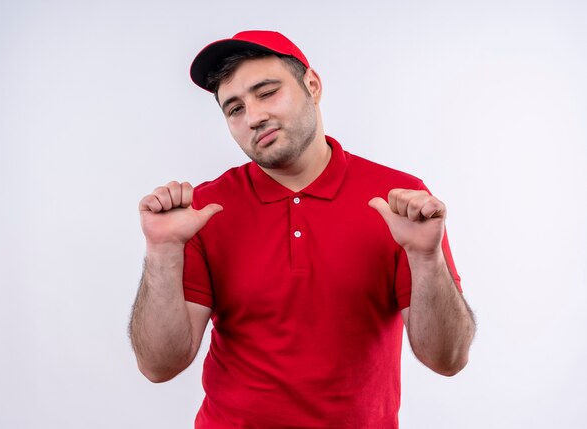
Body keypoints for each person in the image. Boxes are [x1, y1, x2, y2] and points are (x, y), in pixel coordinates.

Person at [129, 30, 476, 428]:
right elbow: (159, 366)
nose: (253, 117)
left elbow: (447, 360)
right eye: (234, 109)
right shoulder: (202, 211)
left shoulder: (399, 200)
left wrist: (425, 258)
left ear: (312, 85)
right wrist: (162, 251)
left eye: (266, 92)